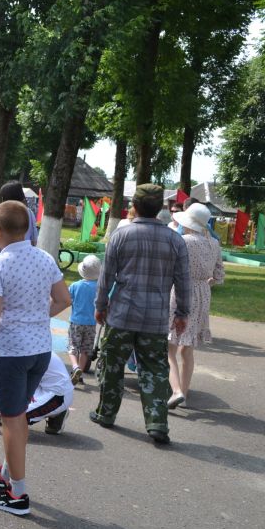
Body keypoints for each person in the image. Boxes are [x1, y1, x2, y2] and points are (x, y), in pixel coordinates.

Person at [0, 201, 71, 515]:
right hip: (40, 349)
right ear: (27, 228)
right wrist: (36, 317)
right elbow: (63, 299)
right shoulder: (45, 258)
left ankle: (18, 492)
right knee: (19, 416)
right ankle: (5, 473)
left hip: (12, 351)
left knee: (11, 420)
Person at [90, 184, 190, 445]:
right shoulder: (175, 240)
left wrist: (100, 305)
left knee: (112, 366)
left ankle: (106, 413)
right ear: (161, 208)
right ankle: (157, 423)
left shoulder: (121, 235)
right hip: (155, 320)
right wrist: (182, 313)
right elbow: (183, 282)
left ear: (133, 206)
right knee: (155, 370)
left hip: (121, 316)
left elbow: (106, 276)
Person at [167, 203, 225, 409]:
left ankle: (176, 391)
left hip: (180, 291)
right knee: (187, 348)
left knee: (169, 347)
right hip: (203, 294)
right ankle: (184, 393)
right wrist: (204, 282)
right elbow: (219, 275)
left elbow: (170, 268)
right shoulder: (214, 244)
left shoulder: (183, 241)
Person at [0, 353, 73, 436]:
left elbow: (2, 388)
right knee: (11, 410)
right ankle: (2, 412)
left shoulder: (22, 356)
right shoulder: (24, 348)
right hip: (41, 386)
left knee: (15, 419)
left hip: (59, 395)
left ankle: (58, 413)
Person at [67, 255, 101, 385]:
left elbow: (67, 300)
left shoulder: (75, 286)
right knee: (85, 350)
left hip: (76, 321)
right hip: (91, 323)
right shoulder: (99, 288)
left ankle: (75, 367)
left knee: (73, 346)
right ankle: (80, 372)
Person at [0, 182, 38, 260]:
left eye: (3, 197)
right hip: (25, 257)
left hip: (6, 258)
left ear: (6, 198)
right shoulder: (30, 213)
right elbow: (34, 239)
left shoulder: (5, 214)